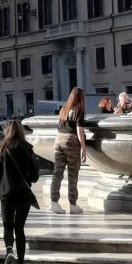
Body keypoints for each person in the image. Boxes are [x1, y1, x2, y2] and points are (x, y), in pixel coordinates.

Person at [0, 119, 40, 264]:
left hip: (6, 193)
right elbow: (34, 175)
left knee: (7, 226)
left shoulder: (0, 149)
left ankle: (9, 251)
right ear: (21, 131)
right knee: (19, 228)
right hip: (23, 193)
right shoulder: (27, 149)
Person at [49, 86, 87, 214]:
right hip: (71, 141)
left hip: (58, 139)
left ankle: (54, 202)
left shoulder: (63, 109)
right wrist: (84, 148)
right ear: (80, 98)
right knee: (72, 174)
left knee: (57, 172)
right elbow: (79, 130)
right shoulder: (79, 110)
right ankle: (73, 204)